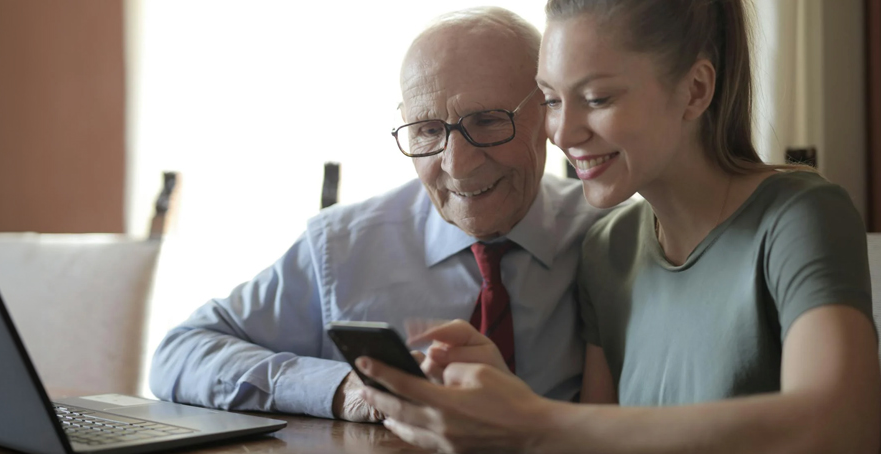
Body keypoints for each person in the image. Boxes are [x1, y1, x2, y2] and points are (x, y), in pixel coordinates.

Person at [357, 0, 881, 452]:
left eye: (598, 98)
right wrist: (499, 396)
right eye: (552, 100)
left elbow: (842, 430)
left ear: (696, 90)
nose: (562, 132)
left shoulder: (800, 214)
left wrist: (529, 420)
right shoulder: (609, 246)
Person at [148, 7, 611, 423]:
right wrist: (341, 388)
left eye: (488, 122)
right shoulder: (342, 247)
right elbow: (179, 353)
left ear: (549, 112)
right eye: (428, 130)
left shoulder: (612, 239)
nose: (456, 164)